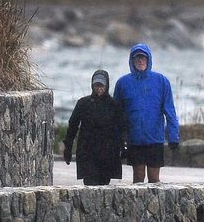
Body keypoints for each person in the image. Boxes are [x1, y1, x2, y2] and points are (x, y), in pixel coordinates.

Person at [113, 43, 180, 183]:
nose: (140, 61)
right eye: (137, 58)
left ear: (148, 60)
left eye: (143, 57)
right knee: (138, 178)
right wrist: (118, 138)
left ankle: (156, 205)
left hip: (155, 138)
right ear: (132, 60)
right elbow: (117, 114)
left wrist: (173, 136)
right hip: (134, 139)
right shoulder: (122, 83)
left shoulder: (161, 81)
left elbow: (170, 110)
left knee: (154, 178)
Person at [62, 69, 125, 187]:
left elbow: (121, 127)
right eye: (96, 85)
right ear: (92, 85)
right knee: (90, 183)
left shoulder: (114, 105)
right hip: (87, 151)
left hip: (107, 152)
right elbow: (73, 126)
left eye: (102, 85)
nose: (99, 88)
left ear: (107, 86)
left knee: (104, 185)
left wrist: (124, 146)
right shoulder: (83, 103)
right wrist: (68, 147)